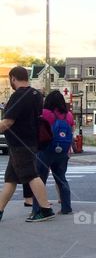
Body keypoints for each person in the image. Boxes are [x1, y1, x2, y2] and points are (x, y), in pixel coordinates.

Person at [0, 67, 55, 222]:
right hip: (30, 140)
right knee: (10, 179)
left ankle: (45, 209)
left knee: (31, 175)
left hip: (20, 144)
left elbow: (7, 122)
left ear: (12, 79)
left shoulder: (18, 95)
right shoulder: (36, 94)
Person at [34, 89, 74, 216]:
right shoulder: (69, 115)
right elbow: (71, 132)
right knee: (61, 179)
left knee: (40, 180)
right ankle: (66, 208)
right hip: (62, 152)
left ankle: (38, 209)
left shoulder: (44, 113)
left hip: (46, 149)